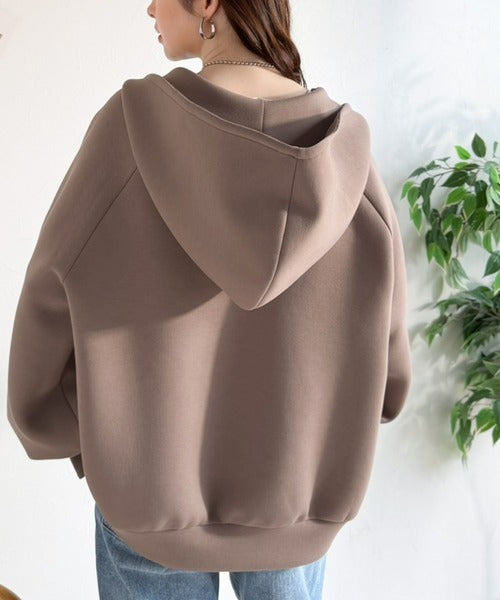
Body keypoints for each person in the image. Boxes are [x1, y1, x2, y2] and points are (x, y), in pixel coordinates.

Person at [6, 0, 413, 598]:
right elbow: (391, 372)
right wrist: (322, 438)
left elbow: (49, 292)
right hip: (294, 514)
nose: (149, 6)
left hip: (149, 508)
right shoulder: (348, 157)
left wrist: (82, 435)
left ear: (206, 3)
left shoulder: (128, 131)